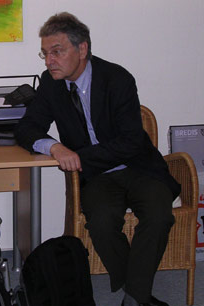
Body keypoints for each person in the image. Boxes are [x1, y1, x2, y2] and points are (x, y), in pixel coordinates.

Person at [15, 12, 181, 306]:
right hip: (97, 176)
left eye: (57, 51)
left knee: (158, 215)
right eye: (45, 53)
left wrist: (78, 155)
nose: (48, 60)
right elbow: (27, 127)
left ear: (82, 49)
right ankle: (139, 291)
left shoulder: (117, 78)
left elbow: (130, 141)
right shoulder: (51, 83)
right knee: (102, 223)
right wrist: (54, 147)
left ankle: (133, 298)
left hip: (138, 167)